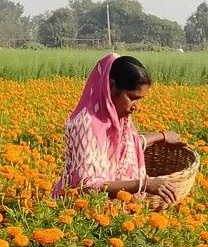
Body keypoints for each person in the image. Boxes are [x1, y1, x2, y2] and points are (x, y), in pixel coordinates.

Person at [52, 53, 181, 204]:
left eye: (140, 100)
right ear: (112, 87)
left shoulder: (118, 119)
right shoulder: (87, 124)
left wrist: (162, 136)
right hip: (81, 209)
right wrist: (144, 184)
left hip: (109, 208)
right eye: (132, 97)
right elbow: (86, 186)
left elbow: (124, 147)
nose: (136, 107)